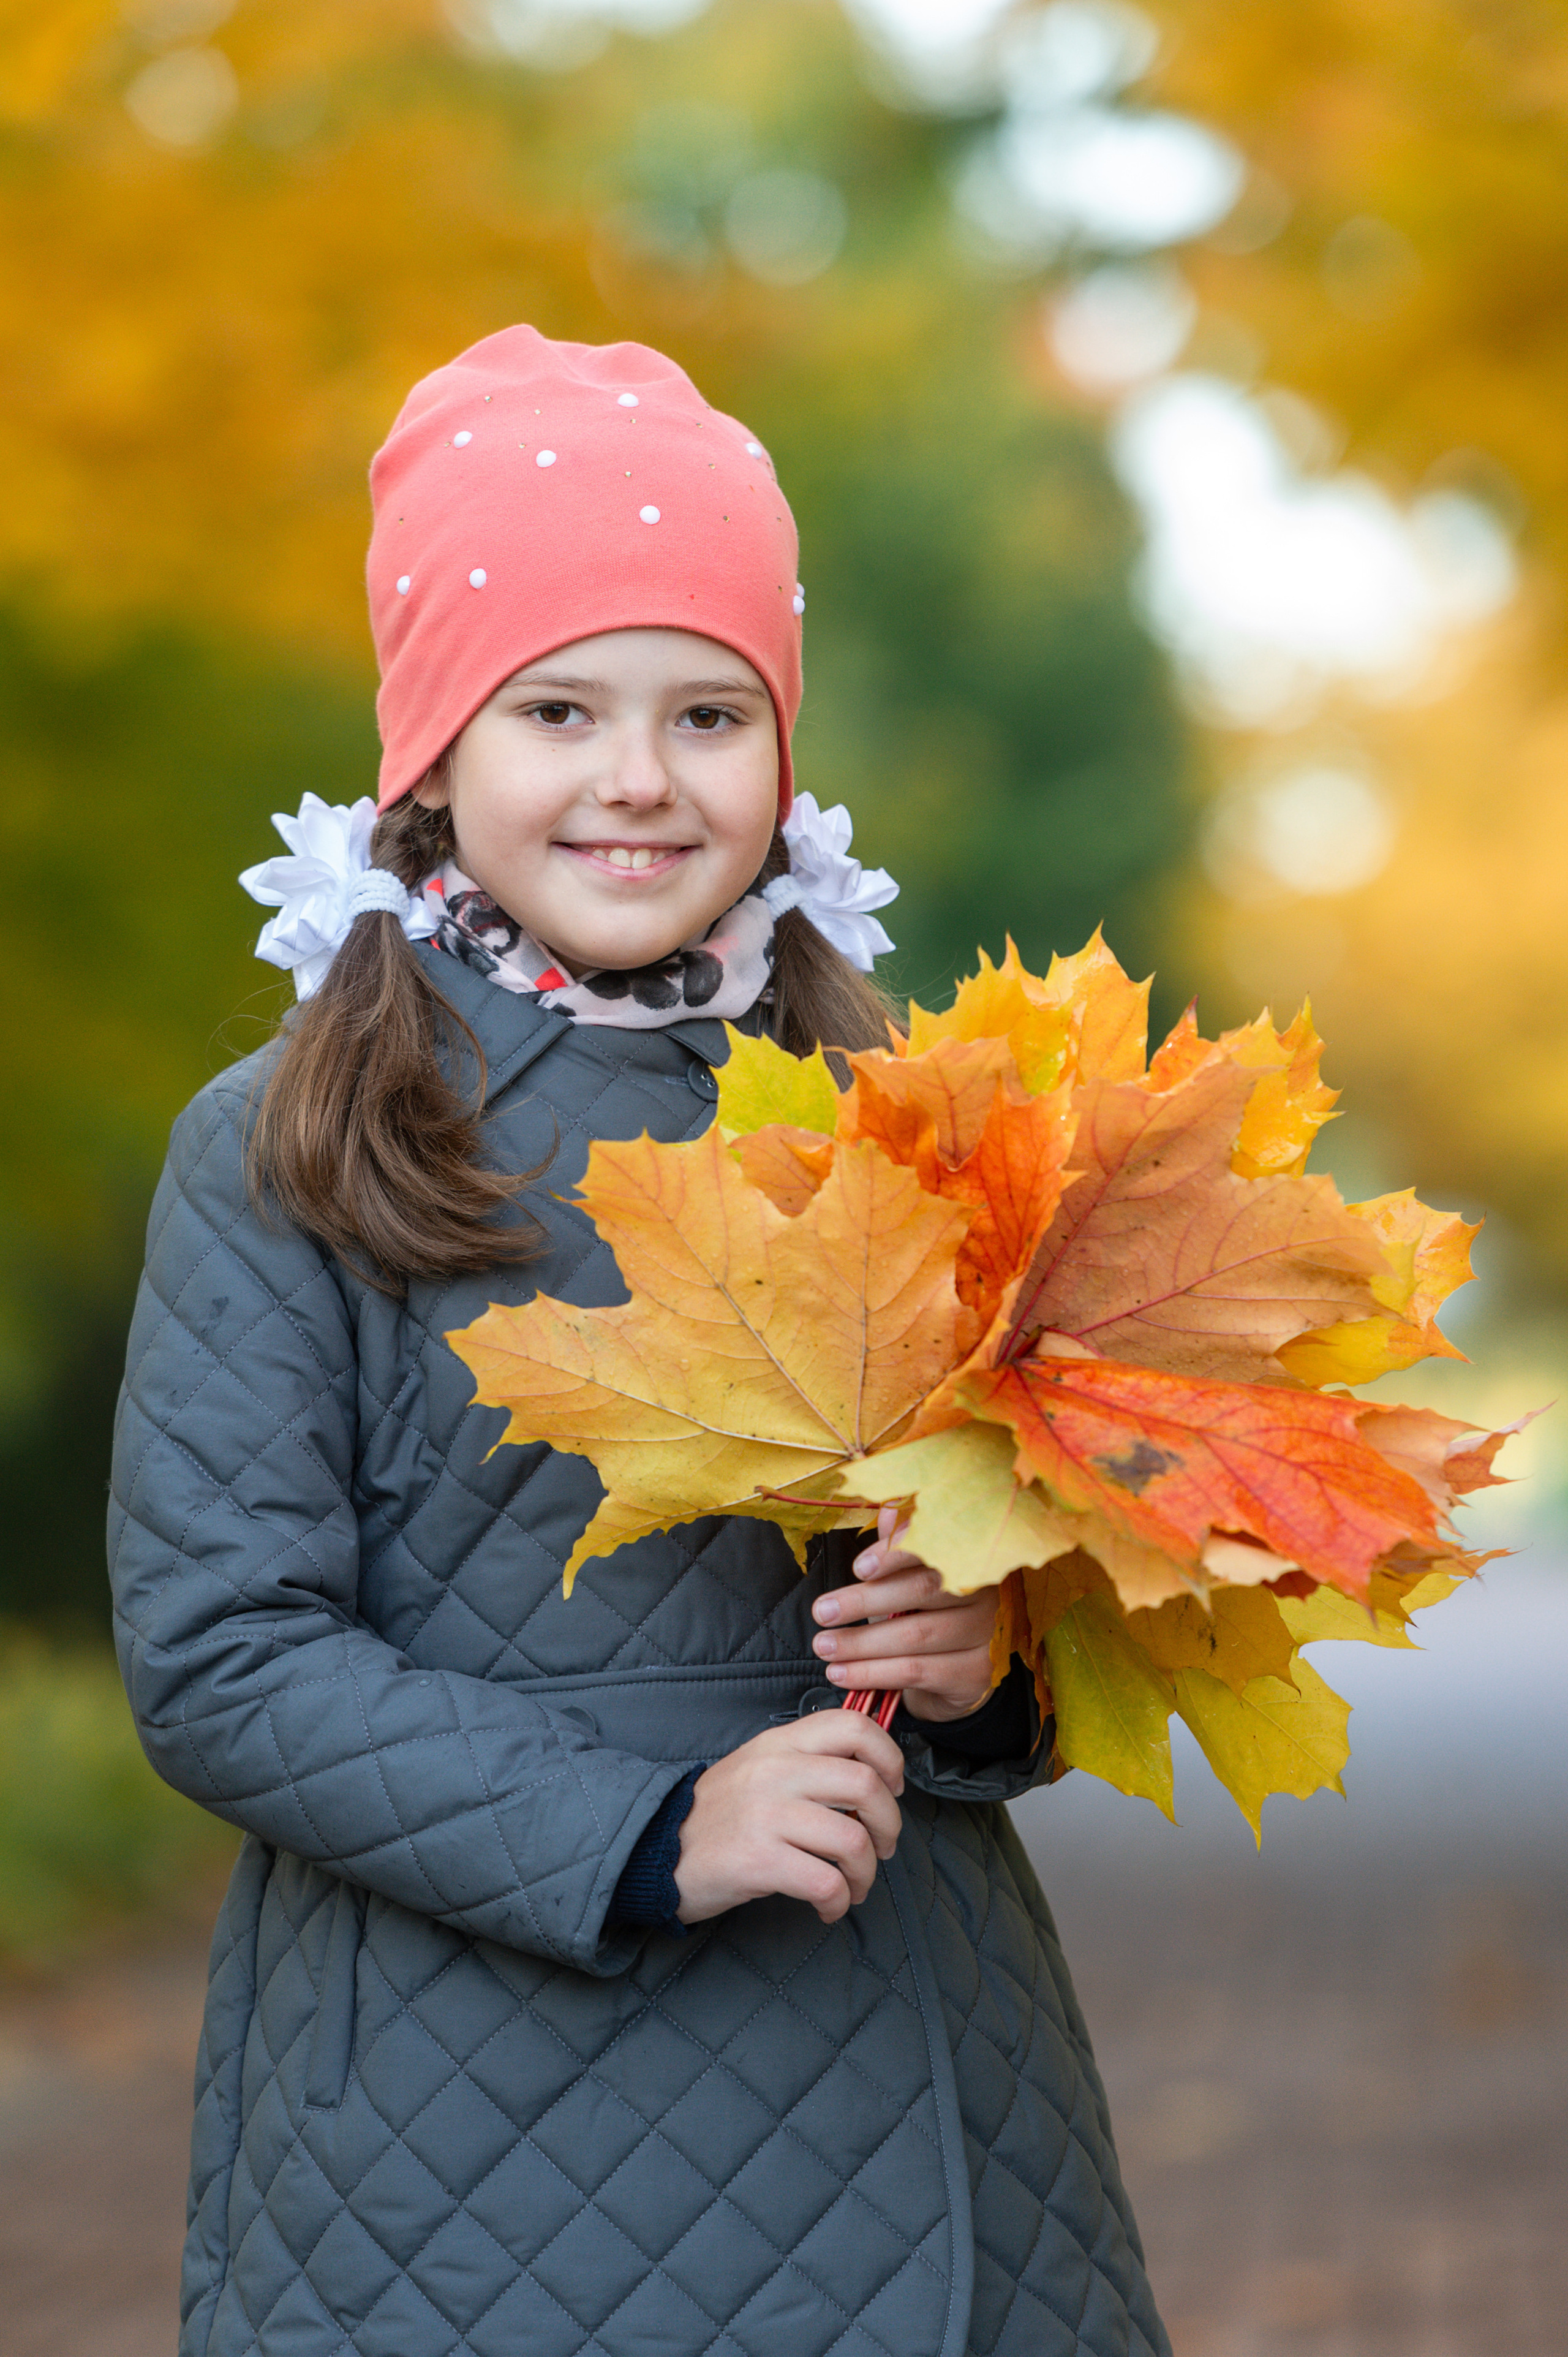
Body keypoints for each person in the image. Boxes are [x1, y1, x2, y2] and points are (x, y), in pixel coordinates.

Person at [110, 324, 1169, 2357]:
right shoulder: (295, 1149)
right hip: (462, 2096)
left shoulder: (890, 1116)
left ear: (782, 753)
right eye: (557, 708)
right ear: (433, 751)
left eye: (709, 711)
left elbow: (1001, 1518)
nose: (636, 777)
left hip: (911, 2046)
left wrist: (977, 1662)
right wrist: (648, 1832)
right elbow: (223, 1654)